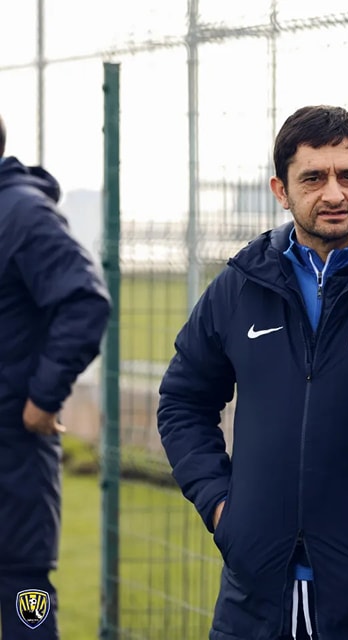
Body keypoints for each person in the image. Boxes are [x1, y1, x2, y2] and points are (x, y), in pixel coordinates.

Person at [157, 106, 348, 640]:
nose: (334, 194)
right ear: (281, 190)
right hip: (253, 597)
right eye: (313, 178)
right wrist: (221, 506)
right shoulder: (242, 285)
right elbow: (183, 400)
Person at [0, 114, 112, 639]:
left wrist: (42, 400)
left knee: (26, 600)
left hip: (12, 461)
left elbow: (84, 302)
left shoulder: (22, 214)